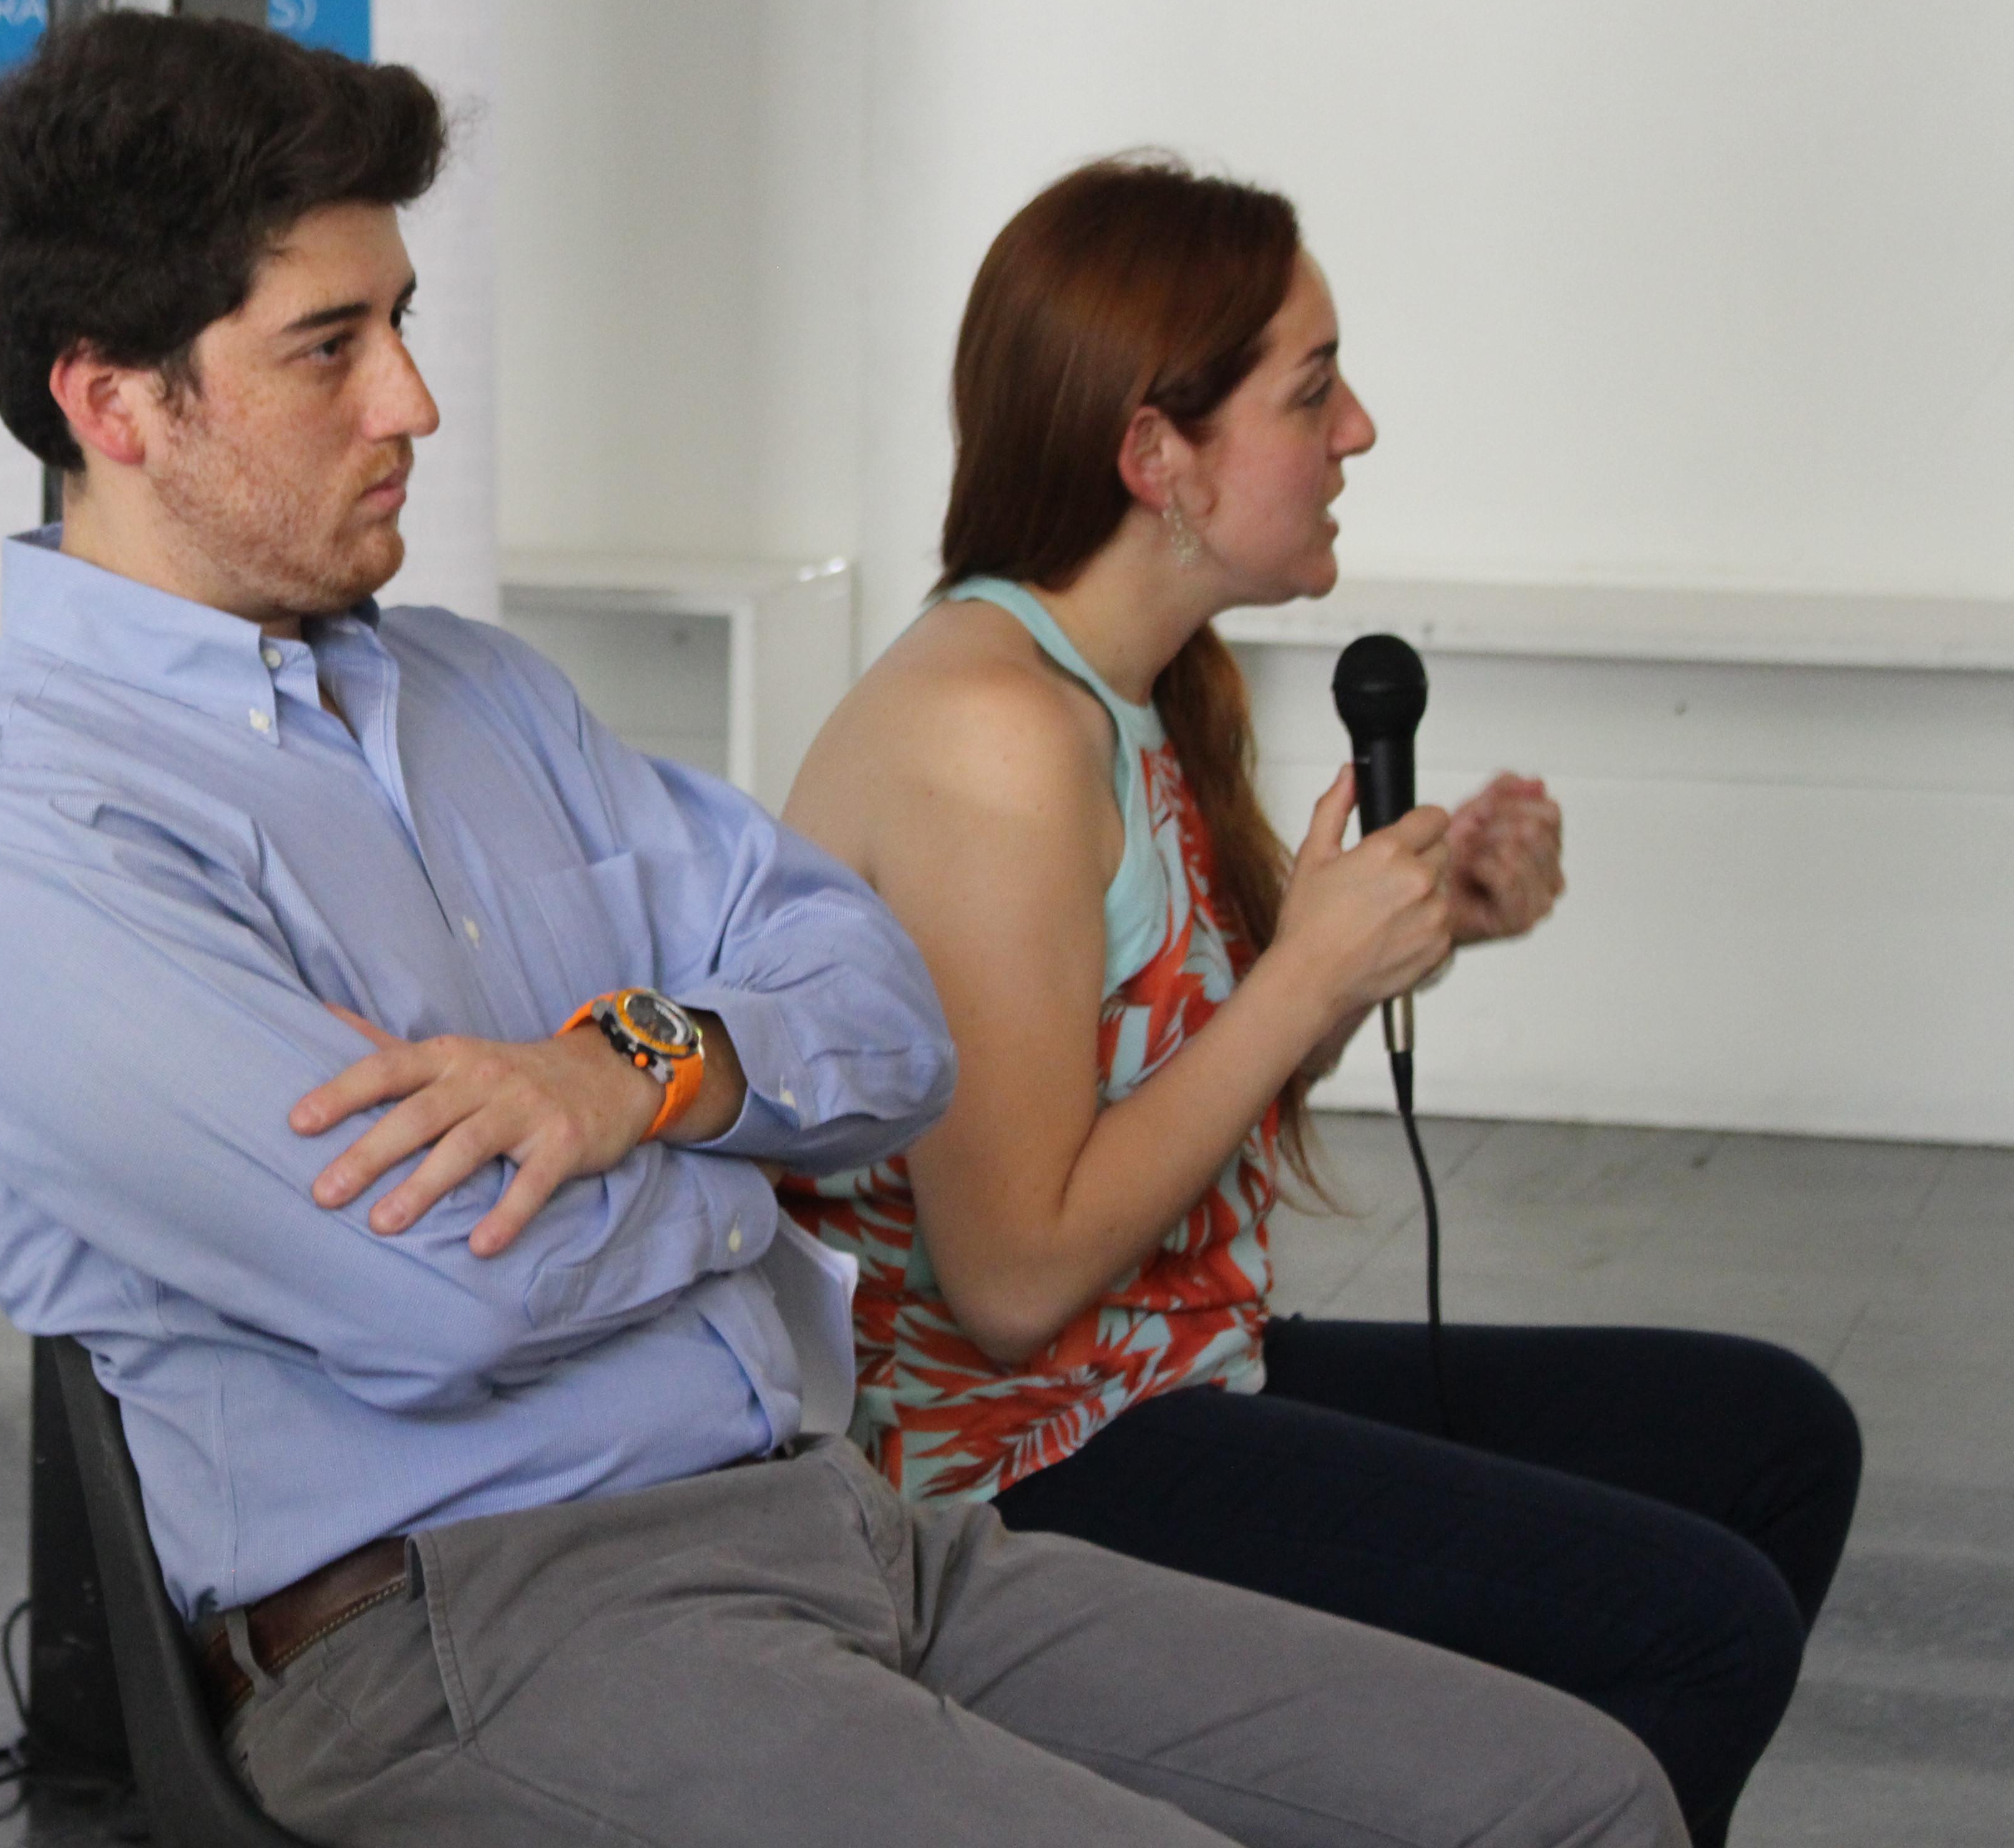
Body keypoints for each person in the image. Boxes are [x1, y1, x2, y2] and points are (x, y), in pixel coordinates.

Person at [0, 12, 1687, 1848]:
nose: (412, 399)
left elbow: (888, 1021)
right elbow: (458, 1292)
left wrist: (641, 1069)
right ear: (115, 403)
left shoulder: (481, 698)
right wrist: (745, 1180)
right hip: (472, 1632)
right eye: (330, 349)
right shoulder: (21, 838)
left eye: (402, 324)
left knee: (1573, 1797)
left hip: (840, 1527)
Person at [777, 156, 1860, 1848]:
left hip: (1154, 1373)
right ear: (1158, 457)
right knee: (1698, 1621)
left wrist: (1396, 944)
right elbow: (1009, 1283)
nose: (1358, 429)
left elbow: (1157, 1097)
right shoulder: (992, 734)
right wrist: (1305, 980)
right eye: (1312, 387)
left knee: (1772, 1437)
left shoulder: (1129, 691)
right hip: (1003, 1467)